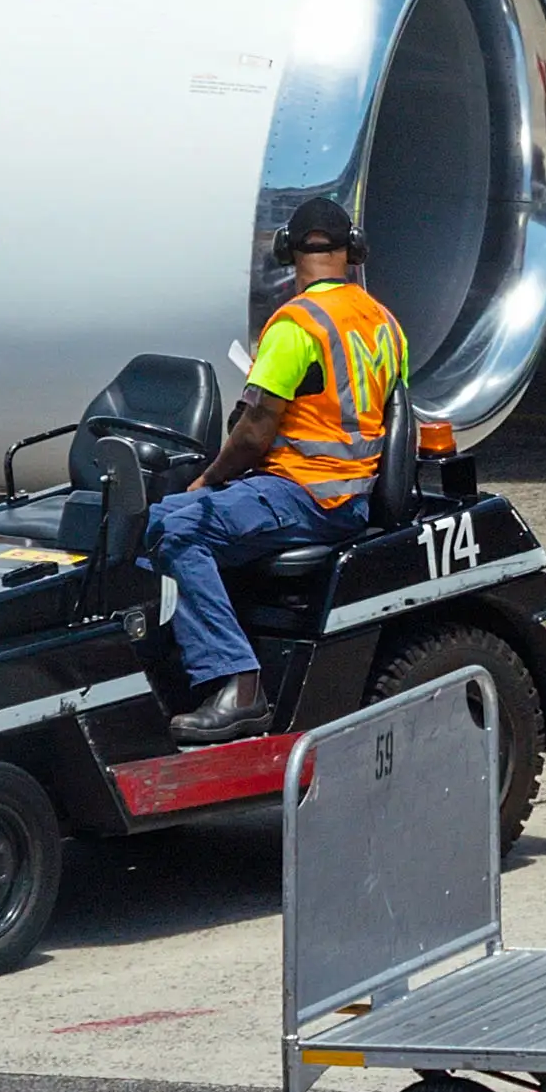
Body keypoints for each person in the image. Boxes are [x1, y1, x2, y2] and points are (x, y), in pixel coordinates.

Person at [141, 192, 413, 734]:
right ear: (353, 251)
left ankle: (238, 682)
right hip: (349, 496)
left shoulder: (297, 326)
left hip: (304, 495)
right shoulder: (385, 324)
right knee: (183, 519)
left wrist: (207, 479)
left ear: (289, 253)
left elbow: (253, 432)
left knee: (169, 525)